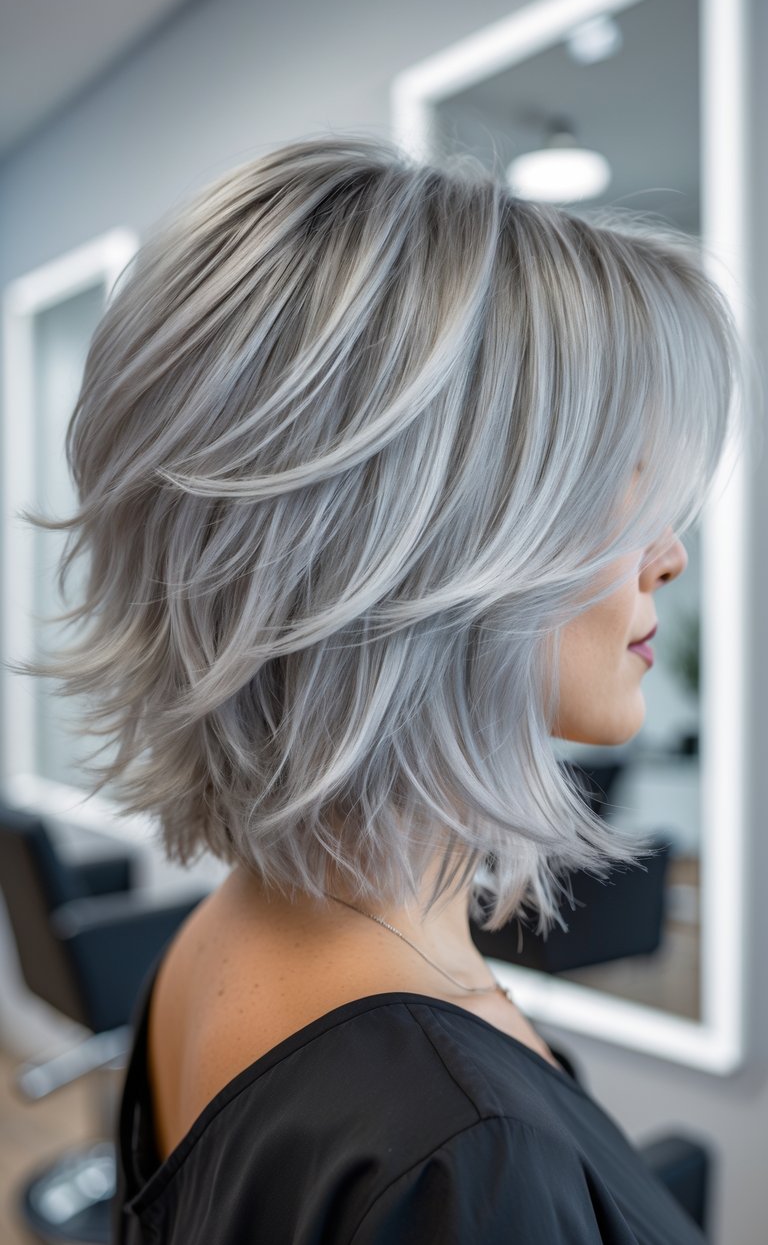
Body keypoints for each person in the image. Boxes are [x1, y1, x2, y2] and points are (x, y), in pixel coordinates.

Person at [17, 132, 752, 1242]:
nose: (669, 556)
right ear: (434, 545)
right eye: (623, 486)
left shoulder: (223, 936)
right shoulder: (464, 1158)